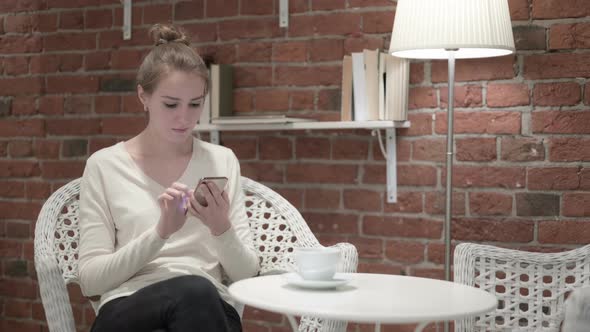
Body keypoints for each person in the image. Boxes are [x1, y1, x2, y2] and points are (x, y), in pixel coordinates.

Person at [78, 23, 259, 332]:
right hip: (128, 309)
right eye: (171, 104)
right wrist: (160, 233)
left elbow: (246, 276)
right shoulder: (104, 166)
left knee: (198, 295)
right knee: (193, 290)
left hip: (209, 309)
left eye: (195, 104)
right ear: (143, 96)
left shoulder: (221, 160)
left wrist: (221, 227)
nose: (185, 118)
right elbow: (91, 281)